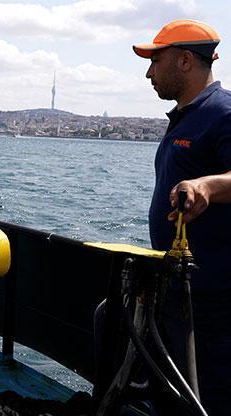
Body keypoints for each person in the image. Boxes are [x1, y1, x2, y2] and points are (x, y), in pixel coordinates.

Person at [133, 19, 231, 415]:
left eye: (156, 60)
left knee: (208, 398)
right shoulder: (188, 117)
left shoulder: (223, 113)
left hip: (213, 301)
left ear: (186, 60)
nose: (149, 72)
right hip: (173, 290)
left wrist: (207, 186)